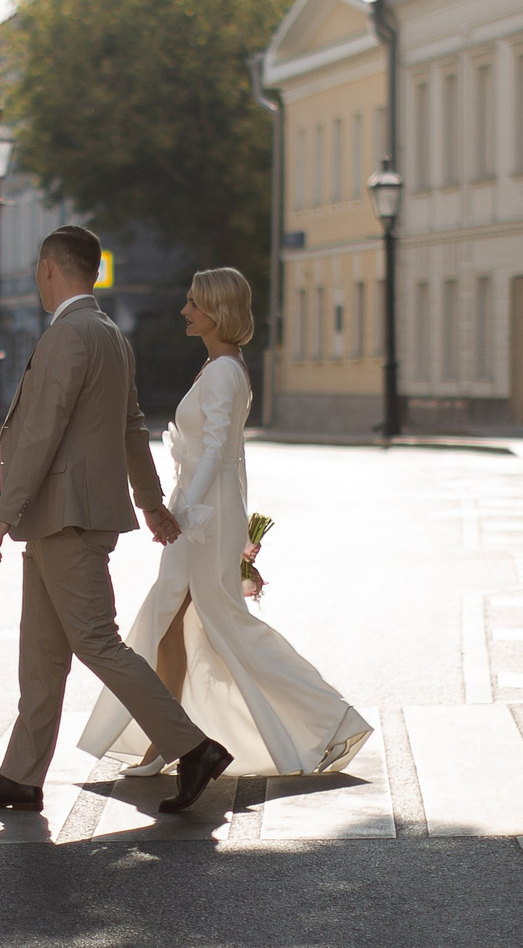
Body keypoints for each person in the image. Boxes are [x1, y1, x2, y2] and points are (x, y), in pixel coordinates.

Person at [0, 226, 235, 817]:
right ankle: (21, 776)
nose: (36, 280)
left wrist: (4, 516)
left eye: (38, 270)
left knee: (98, 644)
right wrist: (152, 503)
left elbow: (41, 432)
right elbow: (132, 426)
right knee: (42, 655)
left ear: (51, 268)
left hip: (63, 518)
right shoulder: (110, 335)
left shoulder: (68, 336)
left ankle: (195, 748)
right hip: (66, 517)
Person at [78, 267, 372, 779]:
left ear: (217, 311)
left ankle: (329, 720)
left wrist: (182, 510)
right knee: (168, 620)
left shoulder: (222, 371)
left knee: (225, 624)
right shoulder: (220, 365)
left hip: (203, 517)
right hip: (205, 512)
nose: (185, 311)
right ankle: (166, 738)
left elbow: (217, 451)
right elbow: (226, 458)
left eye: (194, 303)